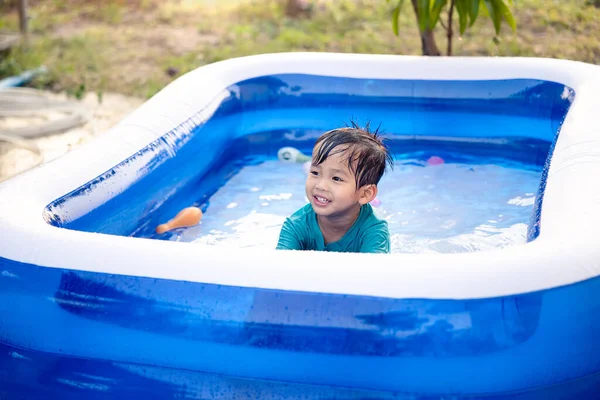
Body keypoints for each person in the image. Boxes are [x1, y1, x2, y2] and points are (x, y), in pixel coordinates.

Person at [276, 122, 394, 253]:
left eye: (336, 178)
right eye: (315, 173)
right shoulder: (296, 225)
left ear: (364, 194)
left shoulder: (374, 231)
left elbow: (374, 272)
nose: (320, 185)